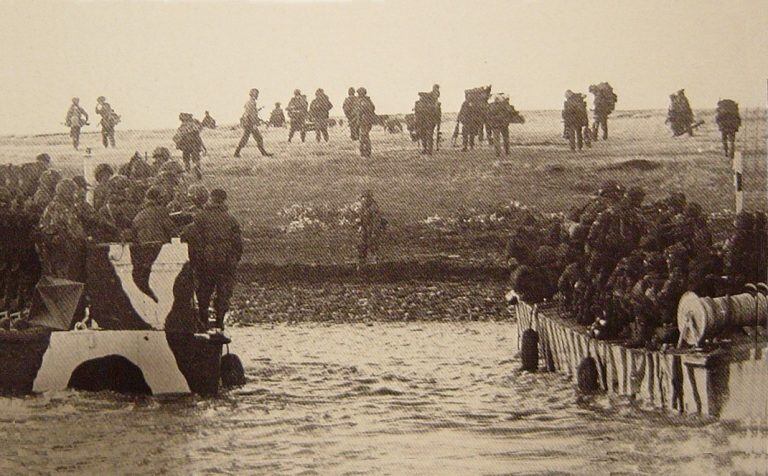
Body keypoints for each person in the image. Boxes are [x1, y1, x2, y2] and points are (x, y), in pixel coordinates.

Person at [193, 188, 243, 329]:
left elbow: (195, 238)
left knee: (204, 290)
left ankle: (203, 320)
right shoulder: (231, 219)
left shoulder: (200, 216)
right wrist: (235, 258)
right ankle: (220, 322)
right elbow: (238, 242)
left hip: (206, 259)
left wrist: (197, 258)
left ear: (210, 198)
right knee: (224, 291)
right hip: (225, 259)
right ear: (224, 200)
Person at [38, 179, 87, 280]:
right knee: (66, 280)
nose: (75, 195)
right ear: (66, 193)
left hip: (55, 249)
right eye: (73, 192)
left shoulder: (54, 205)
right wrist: (85, 238)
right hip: (62, 250)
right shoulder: (61, 208)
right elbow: (74, 229)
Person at [234, 89, 273, 158]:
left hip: (247, 123)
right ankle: (263, 153)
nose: (258, 95)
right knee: (258, 138)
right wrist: (254, 124)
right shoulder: (252, 103)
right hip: (250, 123)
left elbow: (251, 113)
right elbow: (251, 114)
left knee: (246, 138)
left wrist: (258, 111)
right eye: (257, 94)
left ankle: (237, 152)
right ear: (254, 94)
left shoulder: (250, 102)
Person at [174, 113, 205, 179]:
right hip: (195, 145)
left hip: (186, 145)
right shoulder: (194, 125)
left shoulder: (182, 127)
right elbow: (198, 135)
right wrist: (203, 147)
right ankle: (197, 170)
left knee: (186, 160)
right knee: (196, 159)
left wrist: (178, 143)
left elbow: (176, 138)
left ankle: (188, 173)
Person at [355, 88, 376, 158]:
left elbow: (361, 111)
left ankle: (364, 153)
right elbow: (372, 109)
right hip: (368, 121)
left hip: (364, 121)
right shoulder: (368, 100)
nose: (357, 95)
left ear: (361, 94)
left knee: (363, 137)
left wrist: (358, 119)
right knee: (365, 136)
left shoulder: (363, 101)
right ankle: (366, 153)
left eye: (358, 93)